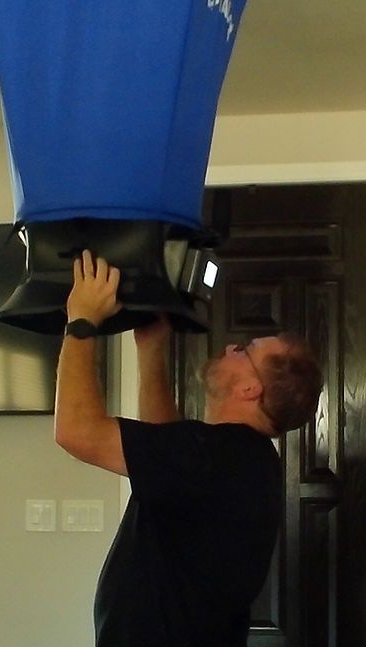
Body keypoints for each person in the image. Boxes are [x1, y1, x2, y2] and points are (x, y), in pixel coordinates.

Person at [55, 250, 324, 647]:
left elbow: (76, 431)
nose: (233, 346)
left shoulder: (220, 457)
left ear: (251, 389)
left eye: (246, 349)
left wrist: (81, 319)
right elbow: (167, 451)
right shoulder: (242, 458)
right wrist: (151, 353)